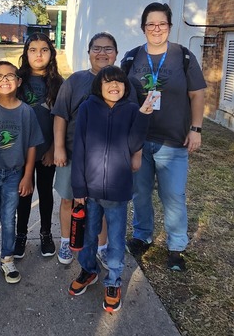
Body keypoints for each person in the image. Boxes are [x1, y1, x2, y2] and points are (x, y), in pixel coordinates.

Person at [123, 2, 206, 272]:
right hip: (139, 140)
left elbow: (197, 94)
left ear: (169, 26)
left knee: (173, 195)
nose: (156, 29)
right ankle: (142, 236)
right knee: (140, 193)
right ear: (143, 27)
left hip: (173, 140)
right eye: (151, 24)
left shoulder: (182, 56)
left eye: (162, 24)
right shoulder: (131, 58)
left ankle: (176, 247)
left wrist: (196, 129)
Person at [67, 66, 153, 313]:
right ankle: (88, 270)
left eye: (119, 82)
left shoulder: (131, 110)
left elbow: (133, 144)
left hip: (118, 189)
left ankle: (113, 281)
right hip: (90, 189)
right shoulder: (87, 108)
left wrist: (143, 116)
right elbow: (80, 148)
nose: (114, 85)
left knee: (115, 238)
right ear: (98, 86)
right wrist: (78, 187)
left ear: (126, 87)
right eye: (108, 82)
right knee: (88, 235)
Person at [51, 32, 124, 265]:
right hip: (73, 155)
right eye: (97, 48)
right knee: (68, 200)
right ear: (89, 53)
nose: (102, 53)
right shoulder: (75, 81)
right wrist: (59, 148)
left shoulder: (122, 82)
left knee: (100, 205)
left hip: (106, 161)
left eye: (108, 48)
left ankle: (102, 246)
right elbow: (60, 115)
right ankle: (66, 241)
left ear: (116, 53)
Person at [0, 61, 44, 288]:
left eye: (10, 76)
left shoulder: (26, 112)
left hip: (14, 175)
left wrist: (27, 176)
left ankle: (7, 259)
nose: (4, 80)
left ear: (19, 81)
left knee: (9, 219)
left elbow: (32, 145)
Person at [14, 33, 64, 258]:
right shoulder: (18, 80)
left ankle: (45, 233)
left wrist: (53, 149)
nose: (38, 55)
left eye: (44, 50)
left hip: (46, 150)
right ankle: (21, 234)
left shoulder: (58, 83)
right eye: (32, 50)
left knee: (45, 193)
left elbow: (61, 119)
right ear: (26, 53)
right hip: (22, 151)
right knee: (23, 193)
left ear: (51, 53)